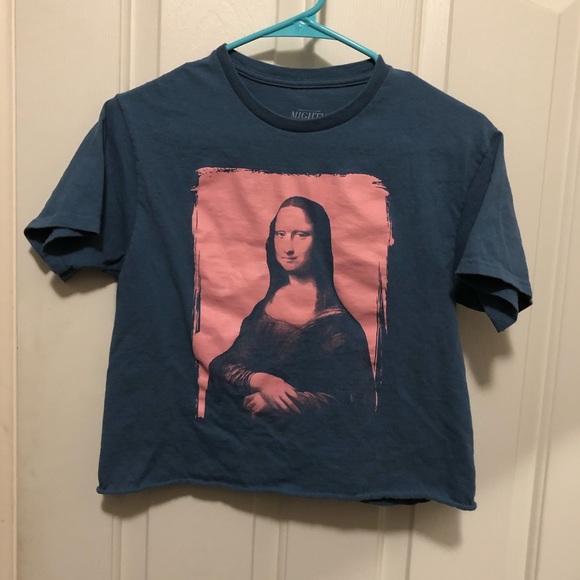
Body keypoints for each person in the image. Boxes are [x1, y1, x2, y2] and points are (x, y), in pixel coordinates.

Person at [205, 196, 377, 428]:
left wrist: (281, 403)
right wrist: (262, 380)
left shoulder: (338, 325)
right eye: (281, 234)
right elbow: (224, 364)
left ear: (319, 240)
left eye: (301, 235)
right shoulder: (265, 307)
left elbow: (352, 402)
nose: (288, 247)